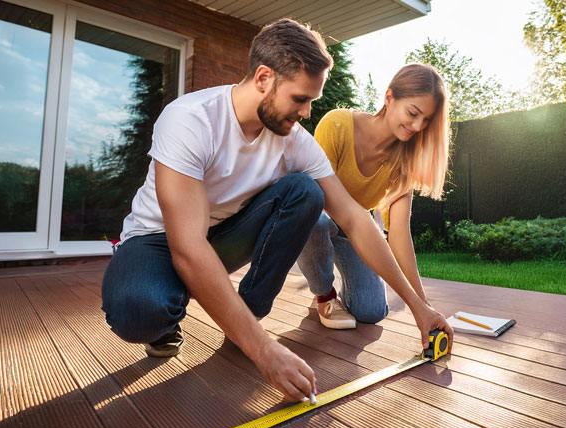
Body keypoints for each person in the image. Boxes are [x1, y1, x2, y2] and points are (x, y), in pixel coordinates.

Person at [100, 19, 453, 404]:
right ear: (264, 78)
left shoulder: (293, 141)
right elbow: (186, 247)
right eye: (300, 99)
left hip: (224, 235)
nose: (306, 113)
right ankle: (165, 310)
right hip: (158, 240)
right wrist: (265, 351)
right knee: (138, 312)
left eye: (311, 102)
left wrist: (420, 307)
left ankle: (245, 318)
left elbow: (353, 218)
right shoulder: (191, 119)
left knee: (305, 192)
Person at [297, 64, 450, 330]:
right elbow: (313, 199)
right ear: (389, 97)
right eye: (413, 113)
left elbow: (400, 233)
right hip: (317, 218)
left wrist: (423, 306)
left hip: (354, 231)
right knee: (315, 217)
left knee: (371, 311)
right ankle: (324, 294)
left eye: (425, 120)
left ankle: (333, 286)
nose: (417, 126)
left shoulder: (403, 162)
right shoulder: (337, 125)